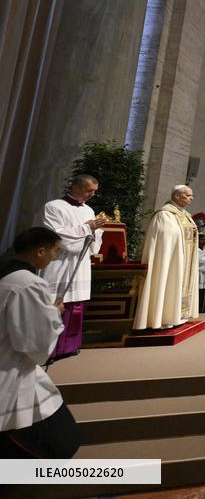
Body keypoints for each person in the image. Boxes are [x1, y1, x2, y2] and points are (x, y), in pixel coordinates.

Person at [0, 227, 81, 458]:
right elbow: (34, 341)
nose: (54, 257)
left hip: (10, 360)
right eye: (55, 251)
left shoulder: (8, 275)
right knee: (55, 441)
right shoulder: (29, 284)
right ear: (40, 251)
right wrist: (54, 313)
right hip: (13, 369)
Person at [40, 173, 106, 360]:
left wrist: (96, 231)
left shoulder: (89, 210)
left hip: (80, 262)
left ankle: (68, 346)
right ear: (75, 187)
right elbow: (57, 236)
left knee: (75, 304)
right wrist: (87, 228)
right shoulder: (54, 207)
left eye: (94, 191)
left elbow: (90, 240)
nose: (92, 194)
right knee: (54, 303)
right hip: (59, 262)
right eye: (89, 190)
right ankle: (48, 350)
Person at [134, 185, 200, 329]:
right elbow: (166, 237)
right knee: (168, 279)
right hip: (172, 259)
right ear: (176, 196)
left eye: (191, 195)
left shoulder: (185, 215)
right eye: (188, 195)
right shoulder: (165, 214)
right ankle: (164, 317)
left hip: (184, 258)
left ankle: (179, 315)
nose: (191, 198)